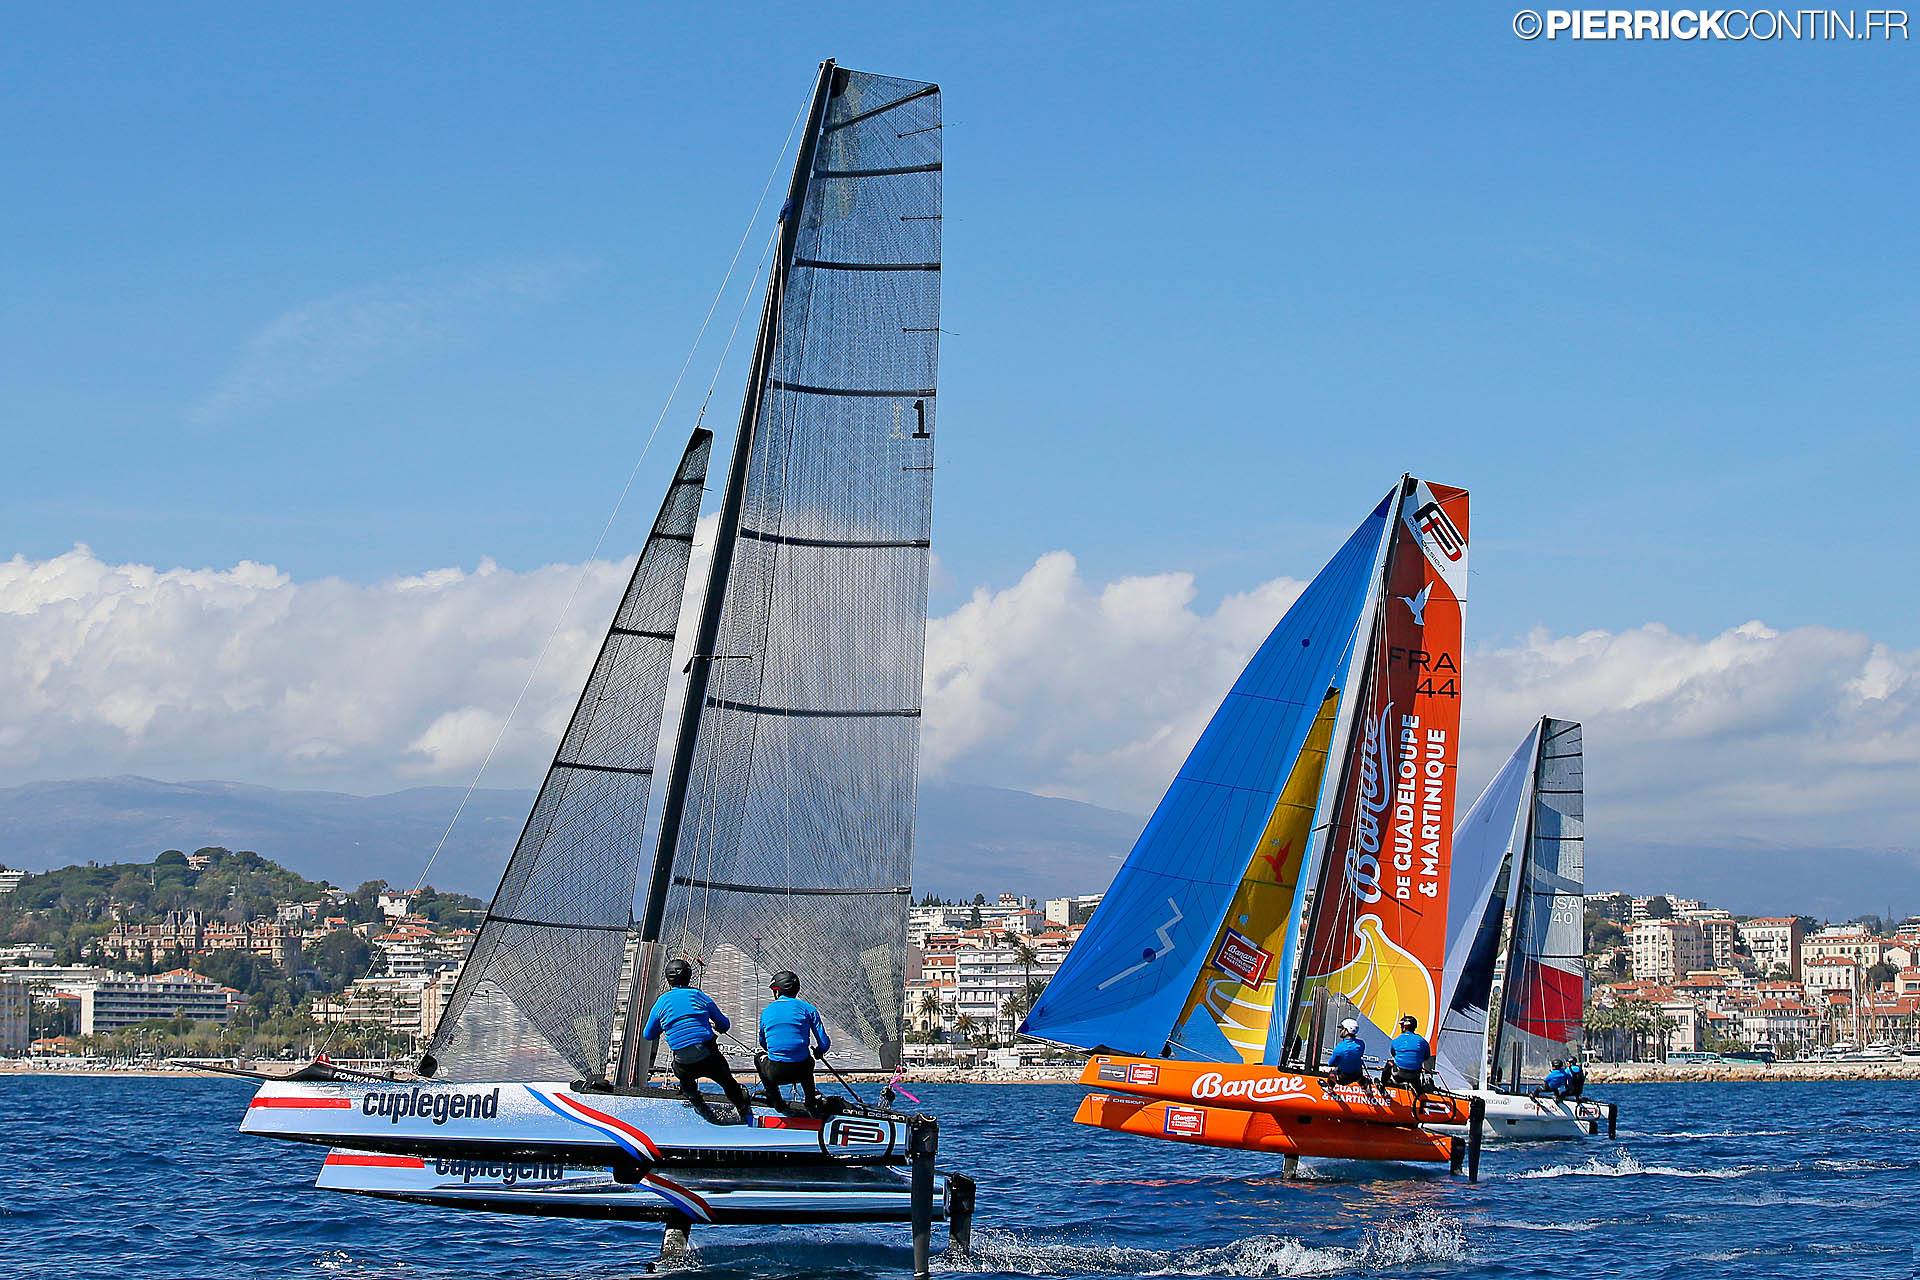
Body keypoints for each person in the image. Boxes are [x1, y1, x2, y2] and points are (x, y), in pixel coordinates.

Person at [642, 957, 754, 1125]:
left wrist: (663, 1026)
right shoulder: (698, 996)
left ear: (668, 979)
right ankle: (744, 1111)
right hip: (709, 1057)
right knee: (727, 1081)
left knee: (683, 1076)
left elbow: (648, 1035)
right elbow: (725, 1024)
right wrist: (717, 1026)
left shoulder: (661, 1003)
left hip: (684, 1064)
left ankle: (699, 1105)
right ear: (689, 976)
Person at [755, 969, 831, 1115]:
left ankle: (777, 1102)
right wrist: (819, 1052)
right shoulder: (809, 1009)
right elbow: (824, 1043)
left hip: (776, 1072)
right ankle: (810, 1102)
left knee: (758, 1058)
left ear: (777, 991)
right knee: (808, 1061)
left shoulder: (767, 1012)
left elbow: (763, 1044)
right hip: (801, 1070)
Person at [1381, 1013, 1433, 1089]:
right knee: (1416, 1069)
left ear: (1404, 1027)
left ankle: (1383, 1085)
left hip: (1399, 1076)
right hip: (1415, 1076)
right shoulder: (1423, 1041)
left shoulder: (1396, 1040)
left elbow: (1393, 1054)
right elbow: (1426, 1057)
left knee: (1390, 1063)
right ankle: (1418, 1090)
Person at [1325, 1018, 1367, 1085]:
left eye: (1342, 1028)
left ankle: (1330, 1088)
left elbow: (1330, 1063)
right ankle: (1364, 1087)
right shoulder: (1361, 1043)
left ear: (1347, 1030)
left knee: (1331, 1074)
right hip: (1358, 1075)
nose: (1340, 1030)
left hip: (1344, 1079)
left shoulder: (1339, 1047)